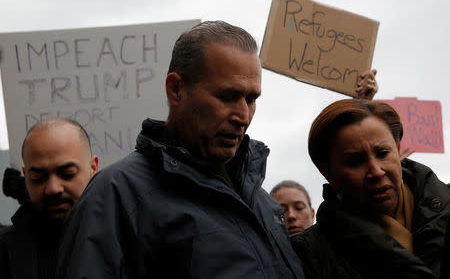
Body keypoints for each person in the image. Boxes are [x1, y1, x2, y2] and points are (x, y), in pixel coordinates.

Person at [56, 21, 305, 279]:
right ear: (176, 89)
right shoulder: (116, 195)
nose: (243, 115)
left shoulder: (264, 204)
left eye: (251, 99)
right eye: (227, 97)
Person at [290, 99, 450, 279]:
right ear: (327, 173)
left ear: (398, 150)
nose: (376, 172)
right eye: (355, 162)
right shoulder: (308, 255)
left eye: (382, 153)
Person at [0, 118, 99, 279]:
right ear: (25, 177)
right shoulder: (5, 250)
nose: (53, 188)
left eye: (67, 174)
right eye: (38, 177)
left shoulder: (129, 238)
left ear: (93, 168)